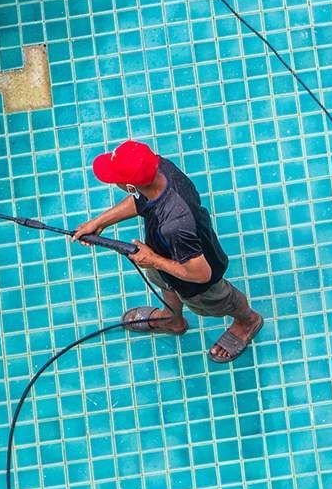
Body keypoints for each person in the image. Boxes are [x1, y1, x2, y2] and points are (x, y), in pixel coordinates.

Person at [73, 139, 265, 363]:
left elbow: (201, 274)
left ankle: (248, 321)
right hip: (163, 250)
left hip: (196, 278)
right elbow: (140, 200)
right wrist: (99, 222)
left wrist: (153, 259)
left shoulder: (176, 224)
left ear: (130, 186)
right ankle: (173, 319)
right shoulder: (159, 168)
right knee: (165, 282)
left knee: (222, 299)